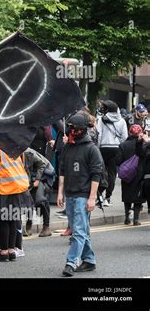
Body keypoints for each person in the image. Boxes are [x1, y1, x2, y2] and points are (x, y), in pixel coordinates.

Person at [58, 112, 103, 277]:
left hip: (83, 195)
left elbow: (96, 174)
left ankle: (71, 262)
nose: (71, 131)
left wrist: (92, 198)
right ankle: (89, 260)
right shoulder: (68, 147)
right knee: (82, 230)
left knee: (78, 231)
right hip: (70, 194)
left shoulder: (92, 149)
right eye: (70, 128)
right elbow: (62, 169)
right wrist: (60, 193)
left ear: (82, 130)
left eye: (74, 128)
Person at [96, 100, 128, 206]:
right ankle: (108, 197)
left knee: (100, 172)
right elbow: (124, 137)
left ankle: (99, 195)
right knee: (112, 174)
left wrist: (98, 147)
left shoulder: (101, 119)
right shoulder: (122, 121)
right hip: (116, 149)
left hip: (103, 148)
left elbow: (99, 135)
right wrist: (120, 146)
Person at [116, 124, 146, 226]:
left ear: (129, 132)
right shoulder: (143, 144)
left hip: (126, 175)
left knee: (127, 196)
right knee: (138, 197)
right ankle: (136, 219)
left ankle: (127, 218)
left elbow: (118, 160)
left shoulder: (123, 145)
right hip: (139, 173)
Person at [23, 147, 55, 237]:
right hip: (33, 176)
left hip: (45, 173)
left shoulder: (29, 153)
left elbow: (42, 165)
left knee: (41, 199)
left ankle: (46, 227)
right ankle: (28, 227)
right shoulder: (15, 154)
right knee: (29, 201)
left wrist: (37, 180)